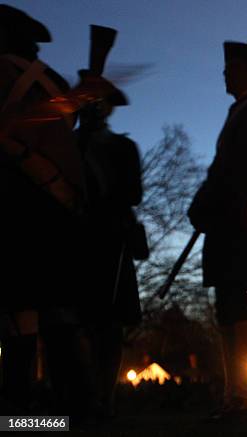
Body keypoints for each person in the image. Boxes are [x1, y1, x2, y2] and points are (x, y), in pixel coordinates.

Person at [188, 41, 247, 424]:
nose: (225, 73)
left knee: (240, 306)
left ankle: (243, 399)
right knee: (229, 309)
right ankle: (235, 398)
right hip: (232, 221)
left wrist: (208, 204)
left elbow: (239, 172)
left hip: (240, 221)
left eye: (232, 67)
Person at [0, 4, 86, 413]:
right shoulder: (51, 81)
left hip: (18, 199)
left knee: (20, 311)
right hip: (60, 204)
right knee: (56, 308)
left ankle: (18, 411)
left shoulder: (2, 73)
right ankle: (73, 408)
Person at [76, 69, 143, 420]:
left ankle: (105, 399)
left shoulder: (123, 148)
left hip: (110, 240)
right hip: (73, 240)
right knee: (76, 322)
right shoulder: (69, 144)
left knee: (110, 326)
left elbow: (134, 194)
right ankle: (83, 400)